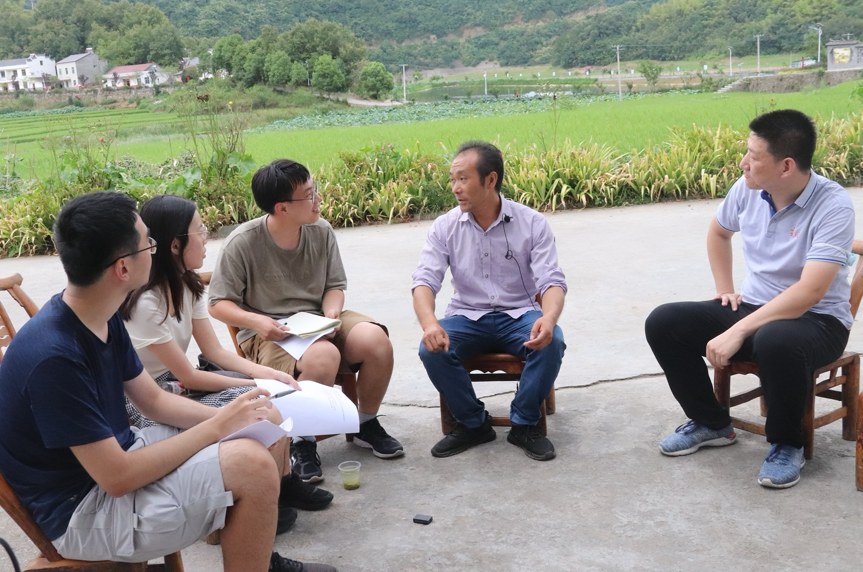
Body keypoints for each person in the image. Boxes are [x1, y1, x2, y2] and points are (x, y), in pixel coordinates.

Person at [0, 191, 336, 572]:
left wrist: (233, 418)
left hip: (121, 458)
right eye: (149, 243)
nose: (155, 249)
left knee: (262, 419)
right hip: (83, 510)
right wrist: (217, 426)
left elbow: (154, 402)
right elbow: (117, 477)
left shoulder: (97, 312)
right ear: (123, 268)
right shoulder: (54, 358)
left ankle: (258, 559)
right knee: (252, 467)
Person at [645, 109, 855, 489]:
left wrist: (738, 330)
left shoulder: (833, 205)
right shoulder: (748, 189)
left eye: (754, 156)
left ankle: (787, 444)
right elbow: (718, 232)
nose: (743, 163)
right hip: (753, 307)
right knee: (664, 322)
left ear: (786, 166)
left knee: (776, 339)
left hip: (817, 320)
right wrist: (725, 288)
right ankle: (711, 423)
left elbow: (810, 292)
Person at [119, 194, 333, 519]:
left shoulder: (186, 285)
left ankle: (283, 485)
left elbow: (214, 351)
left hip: (176, 383)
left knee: (269, 400)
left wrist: (266, 374)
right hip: (146, 397)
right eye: (200, 230)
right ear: (175, 244)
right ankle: (253, 504)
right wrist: (254, 383)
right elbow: (189, 376)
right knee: (259, 406)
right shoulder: (147, 303)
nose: (206, 236)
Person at [208, 159, 404, 483]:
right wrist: (256, 322)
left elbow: (334, 286)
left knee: (375, 341)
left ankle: (366, 423)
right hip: (269, 332)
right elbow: (217, 304)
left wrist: (331, 314)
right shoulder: (243, 242)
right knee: (323, 356)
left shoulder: (320, 230)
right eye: (309, 195)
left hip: (318, 320)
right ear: (282, 208)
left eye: (315, 190)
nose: (318, 200)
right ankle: (301, 442)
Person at [411, 141, 567, 461]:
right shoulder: (445, 226)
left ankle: (525, 423)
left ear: (490, 180)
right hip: (467, 316)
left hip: (520, 314)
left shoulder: (531, 223)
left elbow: (551, 281)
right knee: (431, 349)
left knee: (552, 341)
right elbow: (424, 280)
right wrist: (429, 324)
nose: (455, 188)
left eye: (463, 178)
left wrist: (549, 318)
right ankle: (472, 423)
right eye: (453, 179)